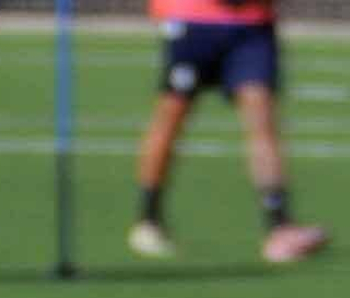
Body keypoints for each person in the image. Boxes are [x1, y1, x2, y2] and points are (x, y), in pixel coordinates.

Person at [128, 0, 327, 264]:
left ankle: (280, 227)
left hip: (251, 22)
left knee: (261, 117)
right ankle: (149, 218)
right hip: (194, 20)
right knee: (171, 116)